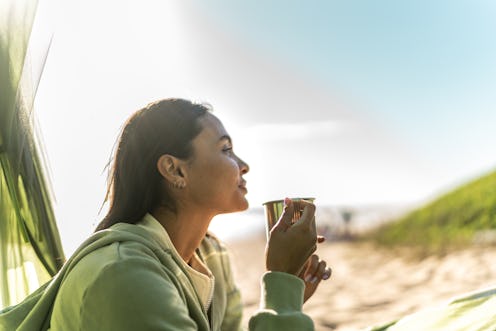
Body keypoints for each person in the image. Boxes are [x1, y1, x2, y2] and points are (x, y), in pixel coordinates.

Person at [0, 98, 331, 330]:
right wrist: (281, 280)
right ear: (175, 170)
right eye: (226, 149)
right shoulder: (123, 274)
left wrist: (288, 294)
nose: (244, 165)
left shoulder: (211, 255)